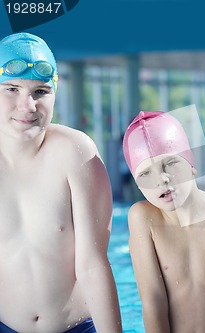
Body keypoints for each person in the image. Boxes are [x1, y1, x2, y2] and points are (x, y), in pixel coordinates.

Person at [0, 33, 122, 332]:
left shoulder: (75, 152)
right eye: (11, 89)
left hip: (76, 327)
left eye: (41, 91)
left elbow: (93, 264)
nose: (27, 106)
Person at [122, 111, 205, 332]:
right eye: (146, 173)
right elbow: (153, 301)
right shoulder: (143, 218)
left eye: (170, 163)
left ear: (192, 164)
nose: (162, 179)